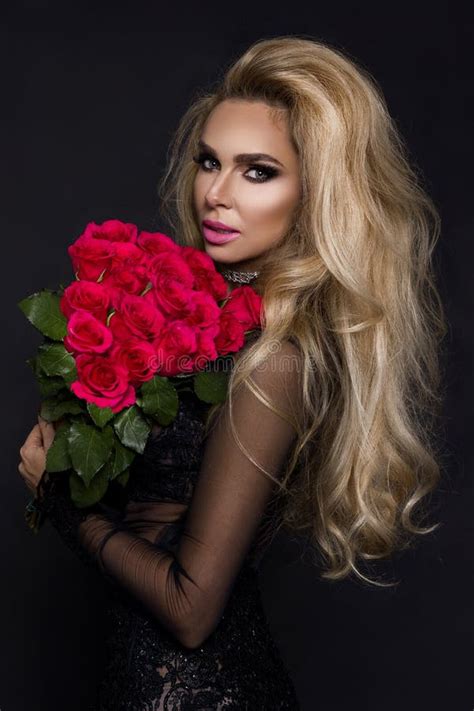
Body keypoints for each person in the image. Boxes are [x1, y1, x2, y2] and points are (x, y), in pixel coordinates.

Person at [17, 36, 447, 710]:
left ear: (314, 192)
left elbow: (191, 606)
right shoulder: (215, 327)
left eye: (257, 171)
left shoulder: (276, 357)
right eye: (210, 162)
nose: (216, 194)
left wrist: (61, 502)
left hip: (204, 693)